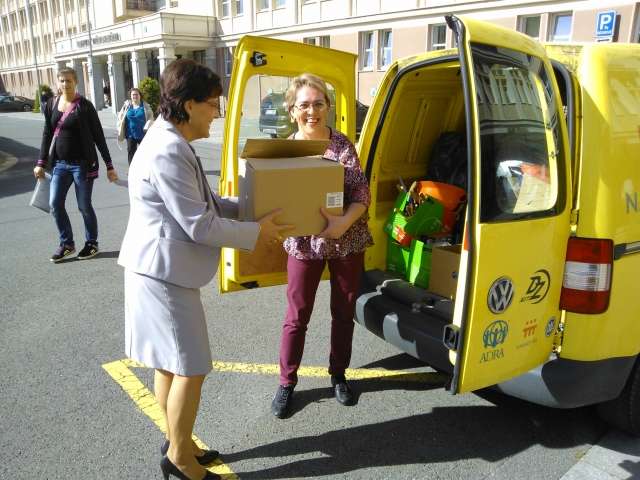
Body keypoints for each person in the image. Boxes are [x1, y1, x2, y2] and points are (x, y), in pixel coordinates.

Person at [117, 59, 291, 480]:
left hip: (159, 270)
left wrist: (251, 209)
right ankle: (180, 460)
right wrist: (257, 231)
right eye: (213, 104)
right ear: (189, 104)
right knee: (192, 367)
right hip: (164, 276)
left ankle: (178, 440)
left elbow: (206, 204)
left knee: (168, 364)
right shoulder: (168, 150)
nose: (217, 112)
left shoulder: (169, 140)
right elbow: (200, 225)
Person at [270, 73, 373, 419]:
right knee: (296, 316)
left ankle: (338, 374)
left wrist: (342, 223)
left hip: (346, 240)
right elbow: (274, 198)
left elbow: (361, 194)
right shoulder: (284, 151)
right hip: (304, 244)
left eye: (318, 104)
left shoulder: (342, 145)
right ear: (292, 111)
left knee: (343, 312)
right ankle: (287, 382)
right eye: (304, 105)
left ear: (328, 106)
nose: (311, 111)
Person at [33, 67, 118, 263]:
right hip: (59, 164)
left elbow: (98, 137)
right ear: (58, 82)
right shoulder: (51, 104)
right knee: (55, 204)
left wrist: (109, 165)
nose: (65, 84)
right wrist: (41, 162)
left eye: (69, 80)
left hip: (82, 165)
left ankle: (91, 243)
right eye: (62, 80)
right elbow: (47, 134)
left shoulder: (85, 106)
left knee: (84, 205)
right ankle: (67, 244)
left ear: (76, 82)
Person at [117, 87, 154, 164]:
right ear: (130, 96)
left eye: (136, 94)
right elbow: (120, 116)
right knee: (131, 153)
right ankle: (131, 169)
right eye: (133, 95)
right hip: (130, 134)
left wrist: (149, 124)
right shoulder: (127, 106)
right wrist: (120, 124)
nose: (135, 96)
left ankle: (145, 168)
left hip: (143, 134)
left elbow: (151, 117)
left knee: (146, 153)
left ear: (140, 95)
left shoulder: (145, 106)